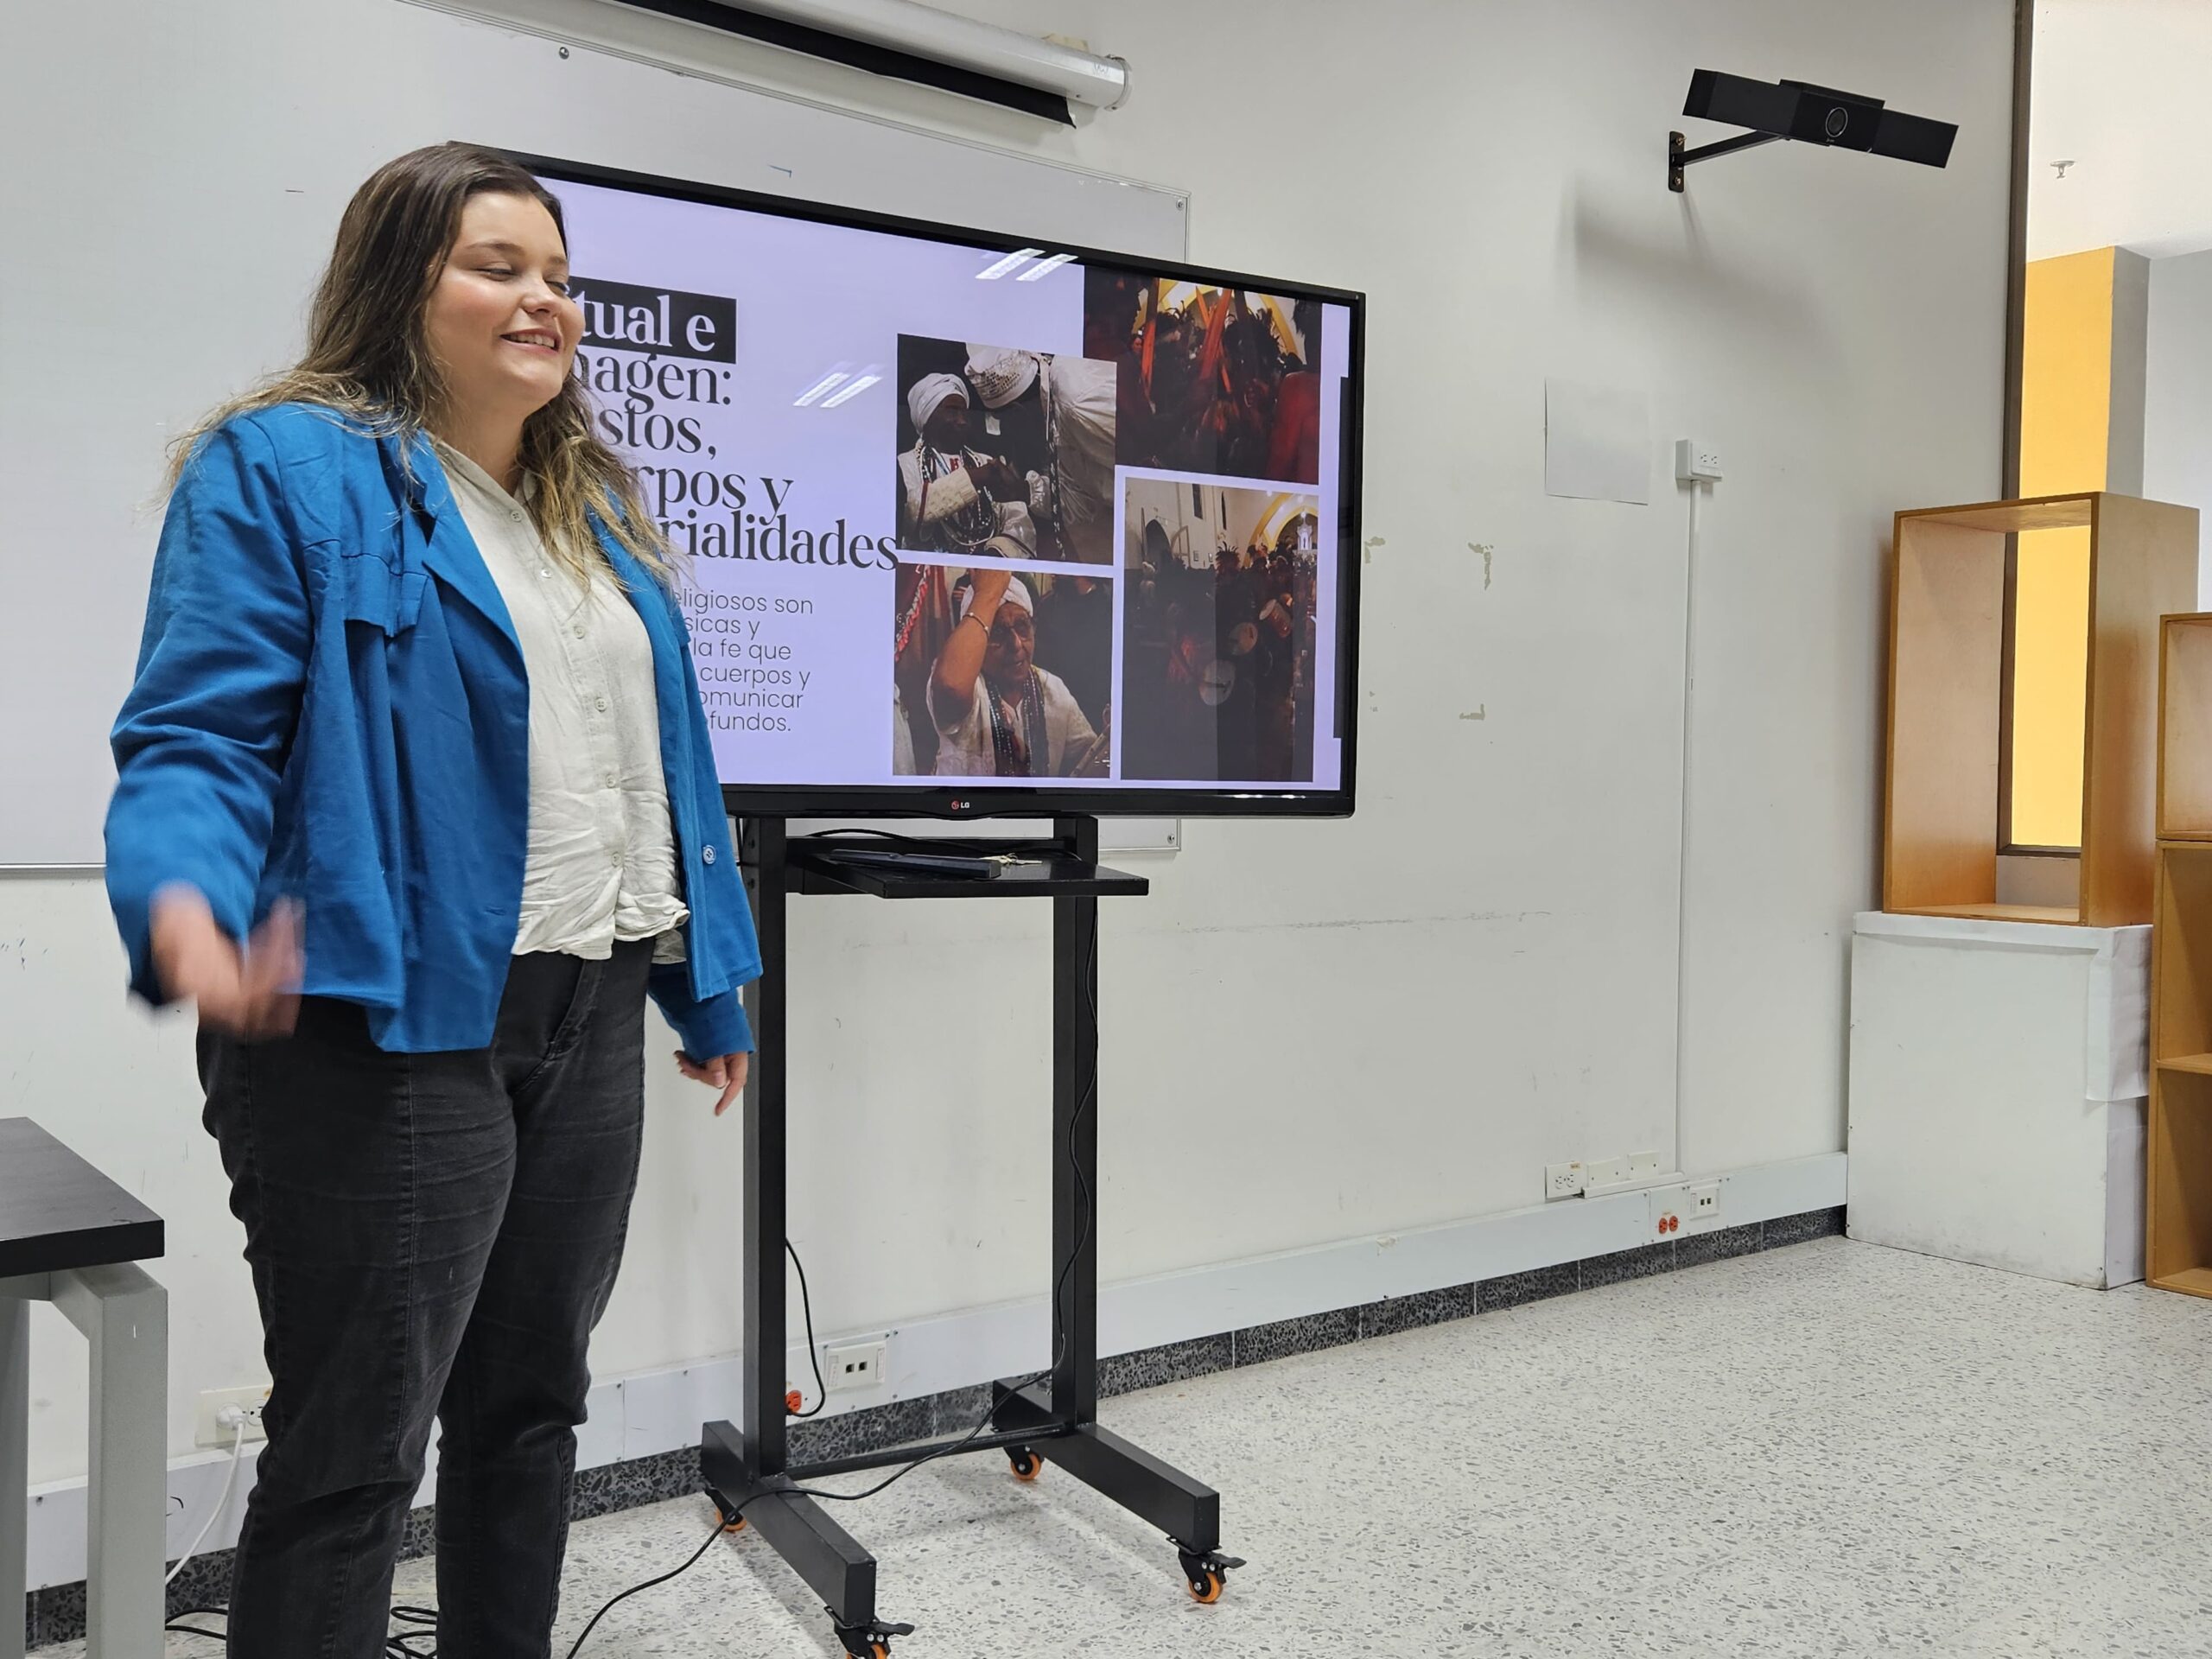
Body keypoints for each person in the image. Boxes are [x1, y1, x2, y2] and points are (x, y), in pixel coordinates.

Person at [102, 143, 762, 1656]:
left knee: (532, 1408)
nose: (547, 299)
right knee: (353, 1451)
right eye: (499, 265)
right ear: (404, 283)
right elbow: (196, 733)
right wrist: (184, 904)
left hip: (584, 1010)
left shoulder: (586, 507)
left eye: (559, 274)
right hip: (380, 1019)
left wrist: (702, 985)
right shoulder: (285, 466)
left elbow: (652, 766)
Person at [929, 570, 1107, 777]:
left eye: (1023, 627)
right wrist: (987, 593)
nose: (1016, 644)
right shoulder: (972, 686)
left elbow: (1086, 761)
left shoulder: (1053, 689)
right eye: (997, 632)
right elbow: (951, 686)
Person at [963, 343, 1117, 564]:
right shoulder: (1051, 414)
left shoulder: (1075, 403)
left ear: (1017, 413)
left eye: (1004, 424)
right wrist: (1023, 491)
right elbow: (1083, 501)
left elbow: (1143, 450)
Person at [894, 372, 1039, 557]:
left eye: (964, 412)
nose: (962, 420)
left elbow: (1019, 521)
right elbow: (910, 514)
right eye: (952, 410)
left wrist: (997, 553)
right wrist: (975, 478)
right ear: (927, 415)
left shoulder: (987, 461)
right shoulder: (905, 463)